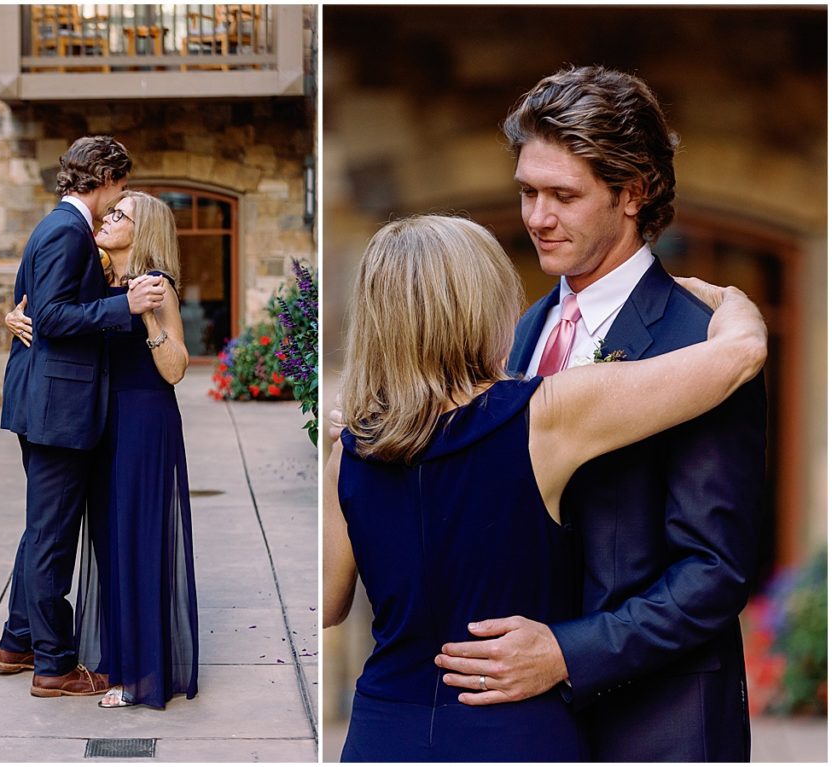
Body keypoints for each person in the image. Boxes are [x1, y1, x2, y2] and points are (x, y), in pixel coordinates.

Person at [324, 214, 767, 761]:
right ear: (480, 302)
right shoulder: (545, 415)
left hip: (381, 731)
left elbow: (326, 603)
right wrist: (732, 302)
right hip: (512, 728)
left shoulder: (348, 450)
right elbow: (740, 356)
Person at [434, 65, 768, 761]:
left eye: (563, 195)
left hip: (661, 725)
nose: (536, 217)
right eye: (527, 191)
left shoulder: (702, 339)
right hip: (531, 725)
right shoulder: (525, 330)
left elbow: (717, 569)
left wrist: (565, 652)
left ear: (632, 194)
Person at [6, 191, 198, 709]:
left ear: (143, 230)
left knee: (135, 542)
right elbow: (55, 314)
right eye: (109, 212)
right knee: (106, 544)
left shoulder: (157, 284)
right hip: (95, 423)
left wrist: (151, 319)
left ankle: (141, 675)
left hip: (141, 422)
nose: (106, 219)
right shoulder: (95, 275)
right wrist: (15, 318)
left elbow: (177, 369)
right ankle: (113, 659)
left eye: (119, 216)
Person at [0, 136, 167, 698]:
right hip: (57, 408)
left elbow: (33, 305)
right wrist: (126, 307)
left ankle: (17, 641)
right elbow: (54, 315)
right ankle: (54, 665)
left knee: (42, 528)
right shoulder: (67, 231)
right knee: (51, 537)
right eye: (118, 187)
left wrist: (18, 315)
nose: (118, 200)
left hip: (47, 401)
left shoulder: (57, 227)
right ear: (106, 177)